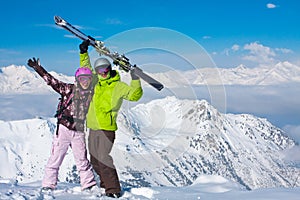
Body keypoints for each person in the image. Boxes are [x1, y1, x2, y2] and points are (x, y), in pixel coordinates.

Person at [78, 40, 143, 198]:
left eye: (105, 69)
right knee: (94, 160)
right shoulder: (95, 82)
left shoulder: (117, 86)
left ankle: (113, 189)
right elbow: (85, 69)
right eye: (99, 70)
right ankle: (105, 184)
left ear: (110, 69)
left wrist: (135, 79)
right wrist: (83, 52)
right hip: (93, 127)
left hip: (107, 128)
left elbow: (135, 95)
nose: (102, 72)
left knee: (103, 158)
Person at [27, 57, 97, 191]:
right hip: (64, 128)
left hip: (79, 131)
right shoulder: (68, 89)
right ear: (77, 80)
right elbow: (52, 82)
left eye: (87, 79)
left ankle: (88, 185)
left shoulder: (91, 94)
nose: (85, 82)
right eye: (82, 79)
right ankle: (48, 184)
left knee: (82, 160)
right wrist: (38, 69)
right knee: (56, 158)